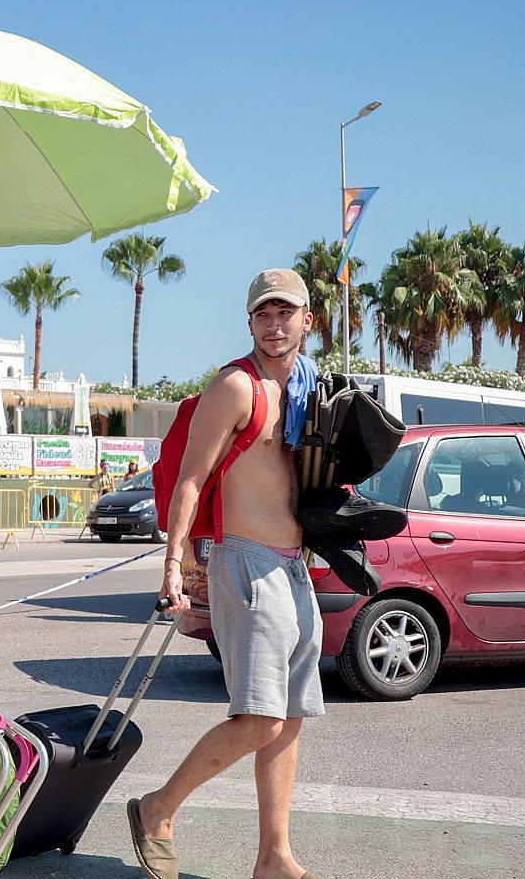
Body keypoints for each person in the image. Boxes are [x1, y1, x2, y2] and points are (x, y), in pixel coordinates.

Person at [130, 268, 323, 879]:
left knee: (289, 716)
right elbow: (190, 477)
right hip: (246, 562)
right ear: (249, 322)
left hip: (295, 566)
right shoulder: (236, 388)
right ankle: (159, 808)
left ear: (307, 321)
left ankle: (274, 856)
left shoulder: (309, 392)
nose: (274, 325)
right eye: (263, 314)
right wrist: (175, 564)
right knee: (260, 716)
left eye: (285, 314)